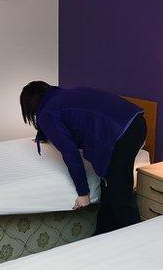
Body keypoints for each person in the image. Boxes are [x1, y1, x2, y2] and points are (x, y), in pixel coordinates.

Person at [19, 81, 146, 234]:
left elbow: (70, 153)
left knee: (119, 192)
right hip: (134, 122)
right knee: (109, 187)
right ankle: (102, 235)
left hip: (124, 133)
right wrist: (44, 135)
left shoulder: (47, 113)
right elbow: (67, 120)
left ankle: (139, 238)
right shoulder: (59, 97)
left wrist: (83, 193)